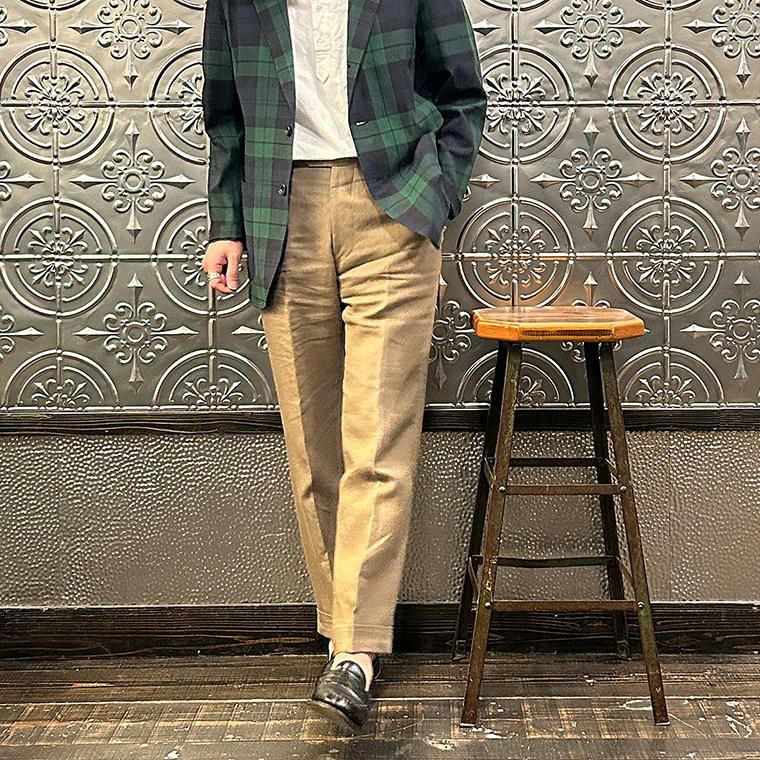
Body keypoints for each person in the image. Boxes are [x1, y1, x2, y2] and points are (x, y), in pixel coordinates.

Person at [200, 0, 487, 731]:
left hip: (390, 208)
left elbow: (462, 94)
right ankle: (343, 632)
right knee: (314, 448)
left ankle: (355, 652)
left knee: (377, 440)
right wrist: (226, 224)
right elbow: (225, 115)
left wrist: (435, 194)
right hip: (280, 210)